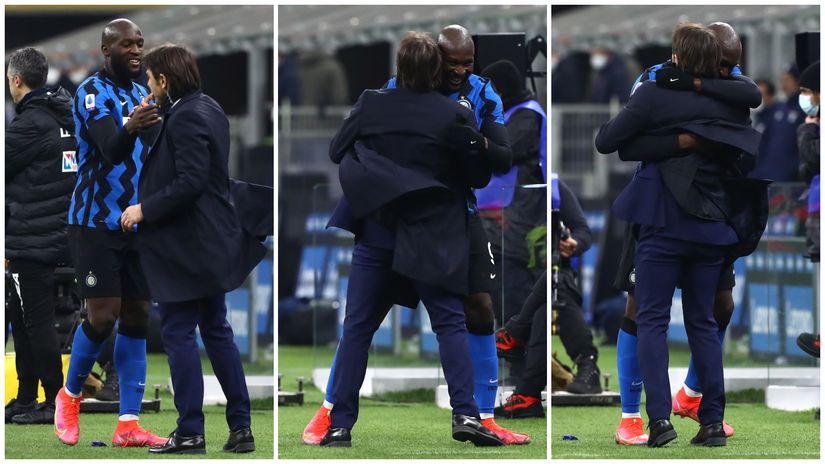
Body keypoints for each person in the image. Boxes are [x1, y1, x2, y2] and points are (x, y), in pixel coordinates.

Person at [303, 25, 529, 446]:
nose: (460, 71)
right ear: (435, 64)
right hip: (436, 229)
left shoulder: (375, 101)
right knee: (449, 322)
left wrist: (371, 171)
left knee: (363, 326)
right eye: (452, 63)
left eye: (466, 63)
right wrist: (469, 147)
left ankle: (340, 423)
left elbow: (338, 150)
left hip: (384, 226)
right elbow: (480, 174)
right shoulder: (454, 113)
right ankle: (467, 414)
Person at [596, 23, 766, 448]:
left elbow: (612, 142)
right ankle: (712, 422)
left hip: (662, 222)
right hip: (713, 225)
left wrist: (671, 140)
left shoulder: (654, 92)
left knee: (651, 319)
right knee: (703, 322)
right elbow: (747, 113)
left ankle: (657, 421)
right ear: (712, 60)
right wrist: (691, 140)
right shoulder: (730, 101)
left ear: (677, 57)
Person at [118, 44, 268, 455]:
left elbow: (191, 180)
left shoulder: (185, 116)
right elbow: (184, 161)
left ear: (164, 80)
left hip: (187, 246)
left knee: (179, 332)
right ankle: (241, 428)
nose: (148, 87)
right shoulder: (206, 108)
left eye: (151, 80)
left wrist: (144, 208)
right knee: (217, 331)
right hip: (209, 241)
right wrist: (151, 128)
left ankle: (189, 431)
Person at [55, 18, 165, 448]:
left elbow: (156, 152)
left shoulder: (142, 94)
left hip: (135, 221)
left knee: (137, 315)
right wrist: (132, 126)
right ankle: (69, 396)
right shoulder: (91, 93)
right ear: (106, 50)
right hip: (94, 221)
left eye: (140, 43)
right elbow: (110, 148)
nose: (136, 50)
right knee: (102, 317)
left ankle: (128, 424)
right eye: (126, 44)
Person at [5, 47, 76, 425]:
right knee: (23, 319)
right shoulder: (64, 115)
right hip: (63, 231)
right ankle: (25, 397)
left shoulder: (29, 124)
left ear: (16, 80)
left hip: (33, 237)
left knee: (34, 321)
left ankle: (52, 400)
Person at [795, 60, 820, 364]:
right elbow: (806, 168)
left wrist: (807, 131)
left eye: (806, 91)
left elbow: (814, 158)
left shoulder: (812, 126)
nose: (803, 98)